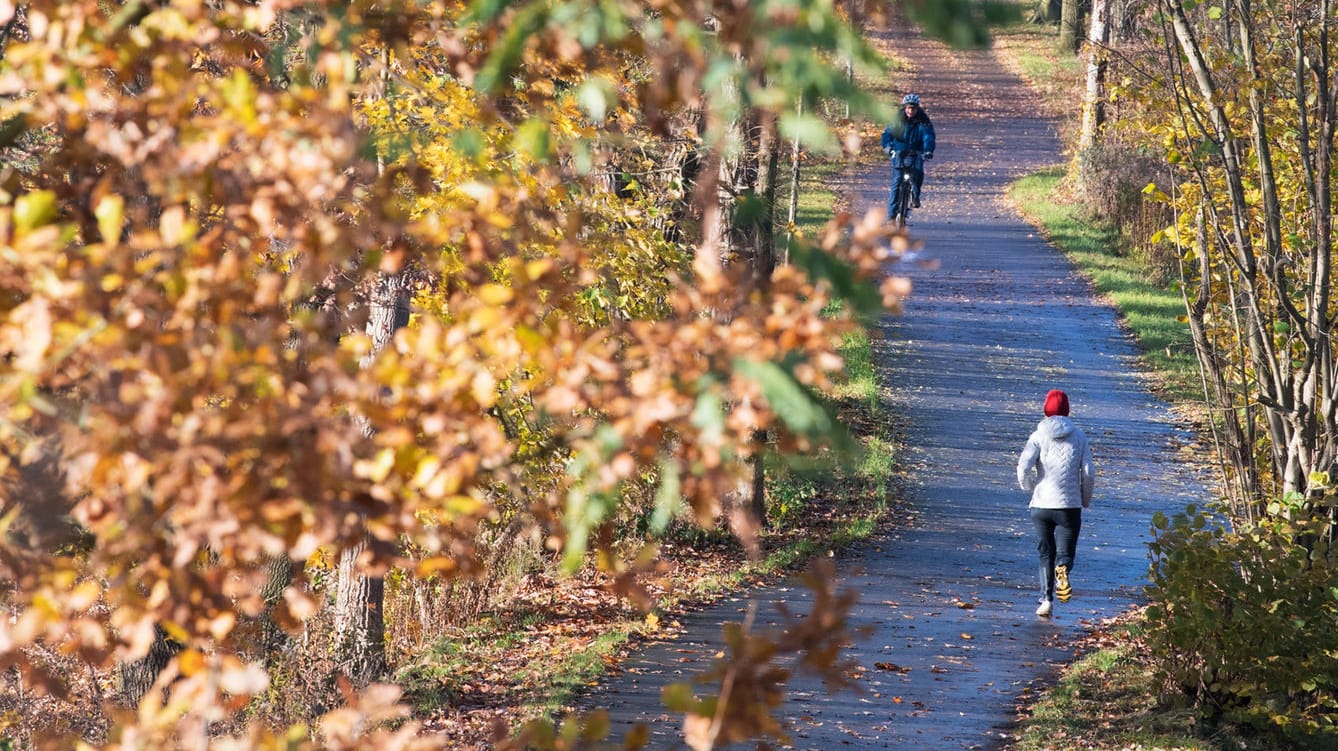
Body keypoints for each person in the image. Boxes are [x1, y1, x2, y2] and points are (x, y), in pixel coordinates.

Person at [1016, 389, 1094, 617]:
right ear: (1067, 410)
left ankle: (1046, 600)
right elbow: (1089, 473)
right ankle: (1064, 570)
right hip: (1069, 506)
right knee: (1065, 554)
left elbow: (1023, 467)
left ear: (1046, 409)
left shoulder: (1037, 436)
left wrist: (1030, 487)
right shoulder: (1079, 436)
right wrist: (1084, 499)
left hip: (1041, 505)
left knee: (1045, 553)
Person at [881, 93, 936, 210]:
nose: (911, 111)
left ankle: (915, 196)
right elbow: (887, 134)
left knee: (918, 175)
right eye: (908, 108)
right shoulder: (897, 120)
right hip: (899, 151)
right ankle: (891, 216)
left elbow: (928, 136)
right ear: (905, 108)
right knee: (896, 182)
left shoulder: (923, 121)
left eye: (913, 108)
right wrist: (888, 147)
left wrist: (928, 151)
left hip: (916, 152)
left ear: (917, 108)